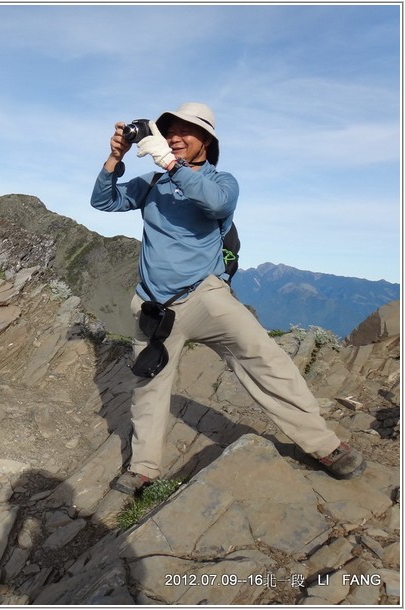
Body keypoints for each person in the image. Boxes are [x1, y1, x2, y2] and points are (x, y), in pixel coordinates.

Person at [90, 102, 366, 494]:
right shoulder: (151, 184)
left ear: (208, 141)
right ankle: (144, 468)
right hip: (155, 307)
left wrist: (170, 163)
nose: (175, 136)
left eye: (187, 130)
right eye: (170, 131)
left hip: (206, 296)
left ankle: (324, 446)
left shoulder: (222, 182)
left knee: (267, 362)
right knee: (149, 388)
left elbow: (216, 205)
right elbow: (104, 201)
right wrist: (114, 158)